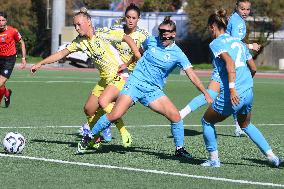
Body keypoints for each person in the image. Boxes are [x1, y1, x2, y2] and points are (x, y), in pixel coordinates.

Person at [78, 16, 213, 157]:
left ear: (173, 34)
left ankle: (179, 149)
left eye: (166, 32)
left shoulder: (178, 54)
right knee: (115, 114)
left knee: (175, 117)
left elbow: (192, 75)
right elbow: (139, 52)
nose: (162, 35)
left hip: (153, 90)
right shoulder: (151, 41)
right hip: (134, 83)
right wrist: (128, 63)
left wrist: (205, 92)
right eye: (161, 31)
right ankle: (88, 137)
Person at [30, 8, 141, 149]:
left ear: (88, 22)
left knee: (103, 102)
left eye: (79, 24)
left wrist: (136, 52)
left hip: (120, 76)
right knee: (88, 109)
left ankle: (123, 131)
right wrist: (40, 63)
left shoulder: (103, 33)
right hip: (105, 79)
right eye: (75, 25)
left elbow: (126, 37)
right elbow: (61, 54)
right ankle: (97, 137)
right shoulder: (80, 42)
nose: (76, 28)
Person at [200, 9, 281, 167]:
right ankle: (272, 157)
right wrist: (243, 84)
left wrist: (232, 89)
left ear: (212, 27)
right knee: (246, 125)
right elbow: (253, 68)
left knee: (206, 121)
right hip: (248, 92)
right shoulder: (238, 43)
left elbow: (230, 63)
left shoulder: (216, 43)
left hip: (234, 94)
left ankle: (214, 160)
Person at [180, 0, 259, 137]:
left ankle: (238, 127)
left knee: (232, 94)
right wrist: (251, 46)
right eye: (242, 9)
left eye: (247, 9)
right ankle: (181, 114)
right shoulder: (237, 21)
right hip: (226, 66)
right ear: (236, 7)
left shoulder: (235, 19)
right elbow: (234, 44)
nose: (245, 12)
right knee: (212, 94)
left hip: (229, 65)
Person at [79, 3, 149, 147]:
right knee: (102, 104)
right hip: (117, 76)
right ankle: (101, 130)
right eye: (128, 17)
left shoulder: (143, 36)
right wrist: (86, 22)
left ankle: (101, 128)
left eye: (133, 18)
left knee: (109, 104)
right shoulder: (116, 32)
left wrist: (129, 63)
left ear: (139, 19)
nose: (130, 20)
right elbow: (100, 36)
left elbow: (143, 53)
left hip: (134, 77)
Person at [0, 12, 27, 108]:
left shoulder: (13, 31)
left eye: (3, 20)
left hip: (9, 60)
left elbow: (22, 43)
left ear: (6, 21)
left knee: (0, 82)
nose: (1, 22)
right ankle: (7, 93)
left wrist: (23, 58)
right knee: (1, 84)